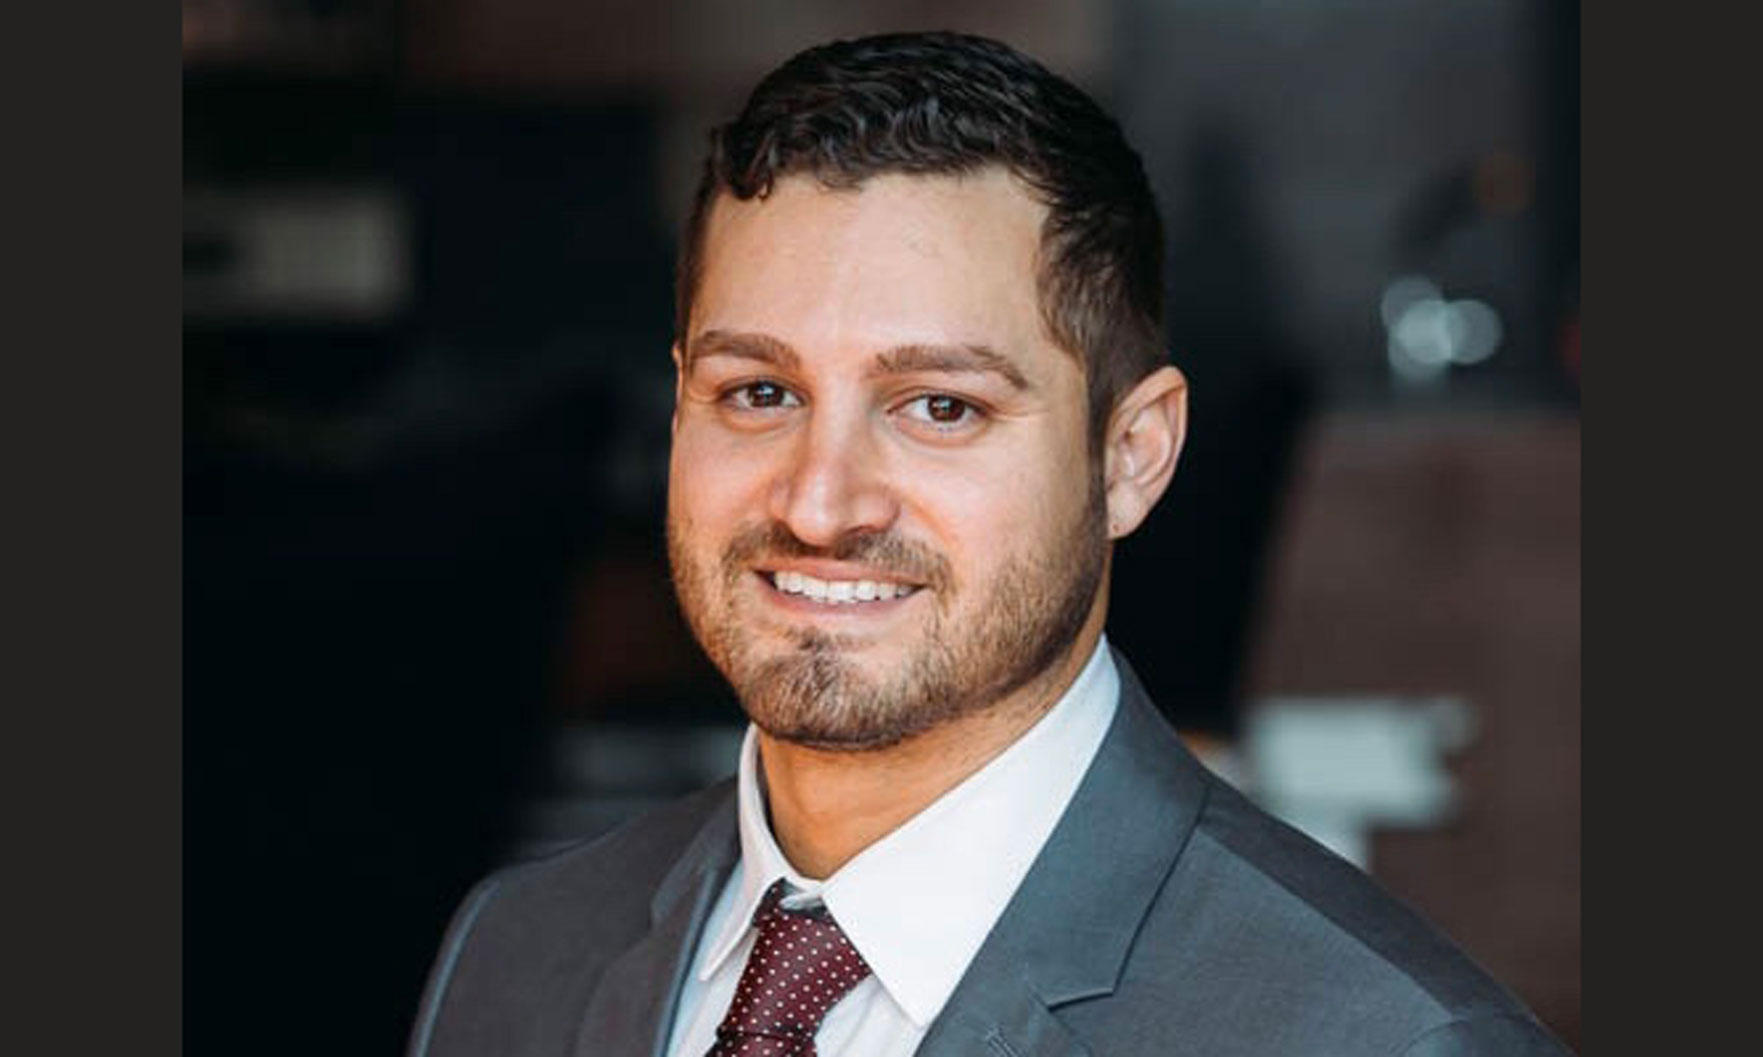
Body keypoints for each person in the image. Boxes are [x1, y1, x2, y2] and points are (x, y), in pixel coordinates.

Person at [406, 32, 1570, 1057]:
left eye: (939, 406)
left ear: (1130, 455)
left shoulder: (1383, 1041)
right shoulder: (517, 950)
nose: (819, 503)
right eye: (758, 391)